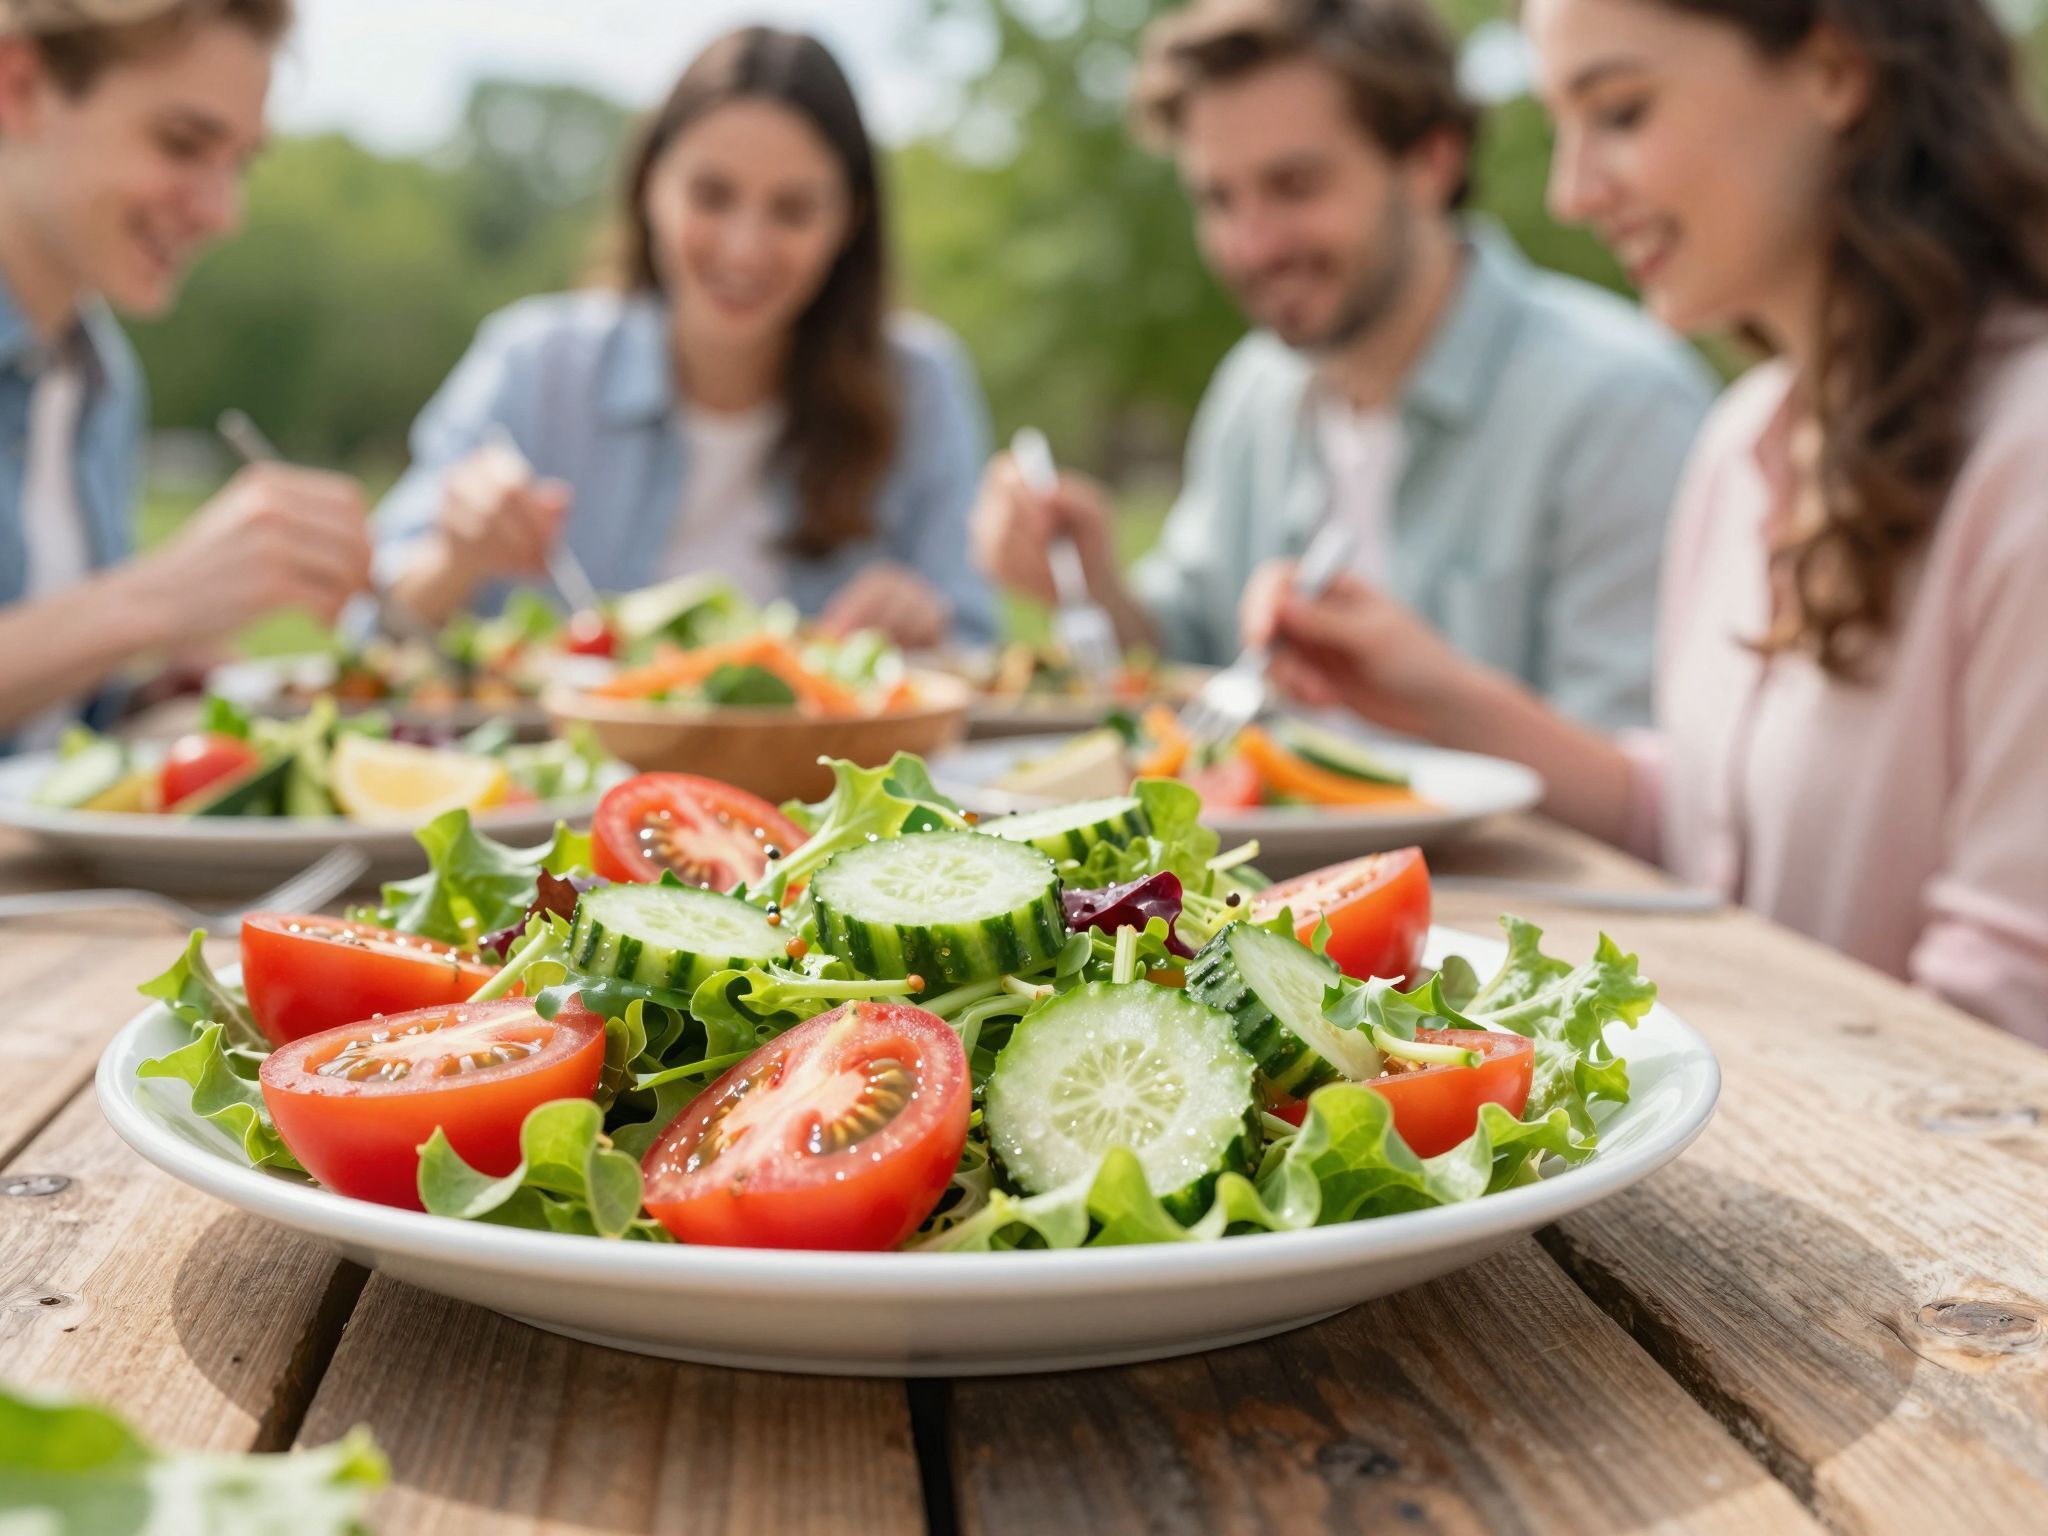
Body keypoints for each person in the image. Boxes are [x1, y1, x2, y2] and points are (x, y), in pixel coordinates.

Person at [1246, 0, 2048, 1042]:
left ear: (1835, 71)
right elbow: (1708, 826)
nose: (1571, 192)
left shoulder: (2022, 451)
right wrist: (1446, 700)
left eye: (1618, 112)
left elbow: (2005, 1009)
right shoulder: (1738, 441)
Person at [970, 0, 1714, 728]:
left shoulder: (1619, 405)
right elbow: (1192, 660)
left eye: (1294, 186)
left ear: (1431, 161)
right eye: (1220, 200)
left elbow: (1643, 780)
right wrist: (1094, 584)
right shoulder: (1255, 392)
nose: (1251, 246)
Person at [375, 26, 996, 651]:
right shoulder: (534, 366)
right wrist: (454, 560)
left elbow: (979, 648)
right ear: (650, 185)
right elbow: (371, 634)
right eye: (712, 195)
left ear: (849, 220)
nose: (744, 249)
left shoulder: (918, 386)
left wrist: (926, 625)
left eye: (793, 210)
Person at [0, 0, 372, 749]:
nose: (222, 211)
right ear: (21, 90)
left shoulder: (100, 379)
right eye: (181, 143)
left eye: (237, 161)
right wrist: (152, 603)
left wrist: (147, 695)